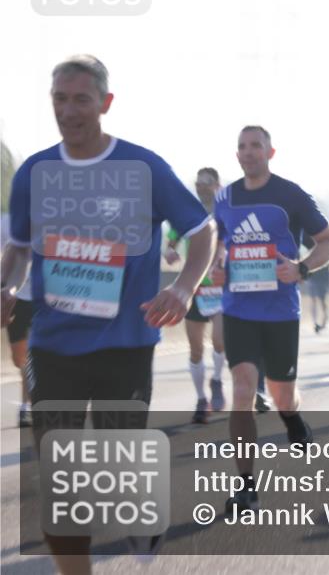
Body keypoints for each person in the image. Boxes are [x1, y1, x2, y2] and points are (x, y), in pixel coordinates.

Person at [0, 54, 216, 573]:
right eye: (59, 98)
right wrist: (6, 285)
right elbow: (19, 248)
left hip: (125, 345)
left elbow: (203, 232)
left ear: (105, 103)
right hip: (54, 347)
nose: (69, 111)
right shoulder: (35, 172)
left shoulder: (140, 168)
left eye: (81, 99)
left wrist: (184, 289)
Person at [211, 125, 329, 514]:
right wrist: (216, 268)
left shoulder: (290, 195)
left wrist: (301, 269)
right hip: (238, 309)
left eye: (256, 146)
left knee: (282, 392)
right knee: (244, 388)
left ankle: (292, 416)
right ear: (236, 155)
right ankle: (246, 485)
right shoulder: (224, 197)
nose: (248, 153)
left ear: (270, 152)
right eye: (242, 147)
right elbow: (218, 247)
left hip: (281, 311)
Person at [164, 167, 228, 423]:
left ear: (217, 185)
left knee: (220, 341)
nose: (202, 187)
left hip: (220, 287)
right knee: (195, 348)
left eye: (207, 183)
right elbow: (172, 239)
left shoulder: (226, 212)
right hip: (194, 287)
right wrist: (170, 251)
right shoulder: (189, 210)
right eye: (198, 182)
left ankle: (216, 381)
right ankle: (201, 399)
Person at [4, 281, 33, 427]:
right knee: (20, 360)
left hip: (43, 301)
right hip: (17, 301)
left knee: (34, 358)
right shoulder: (18, 256)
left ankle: (25, 407)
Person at [304, 233, 329, 333]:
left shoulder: (327, 246)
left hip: (323, 278)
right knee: (313, 299)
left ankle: (324, 320)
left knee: (322, 301)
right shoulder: (310, 245)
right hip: (312, 277)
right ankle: (315, 322)